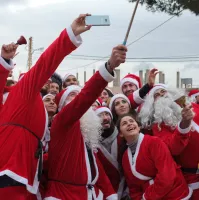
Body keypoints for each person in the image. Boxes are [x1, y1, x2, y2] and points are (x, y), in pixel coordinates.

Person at [0, 14, 90, 199]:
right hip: (12, 168)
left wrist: (3, 63)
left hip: (26, 173)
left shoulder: (15, 100)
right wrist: (70, 34)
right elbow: (45, 64)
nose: (47, 80)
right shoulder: (23, 90)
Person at [45, 44, 127, 200]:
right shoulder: (62, 120)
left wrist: (110, 194)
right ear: (62, 105)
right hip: (66, 195)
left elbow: (96, 168)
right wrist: (109, 67)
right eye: (72, 95)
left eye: (78, 93)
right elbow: (84, 98)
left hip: (91, 194)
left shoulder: (84, 129)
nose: (77, 97)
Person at [139, 84, 199, 199]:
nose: (162, 95)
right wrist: (184, 125)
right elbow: (174, 149)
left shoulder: (194, 107)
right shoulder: (158, 126)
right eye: (156, 95)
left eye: (163, 91)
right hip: (193, 177)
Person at [117, 113, 193, 200]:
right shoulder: (125, 158)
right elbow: (133, 187)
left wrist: (146, 197)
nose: (129, 124)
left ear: (138, 127)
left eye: (131, 121)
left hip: (175, 195)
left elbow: (167, 176)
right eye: (124, 123)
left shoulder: (154, 142)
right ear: (121, 134)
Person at [95, 106, 126, 199]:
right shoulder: (92, 144)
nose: (105, 118)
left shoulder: (124, 137)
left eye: (107, 114)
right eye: (100, 115)